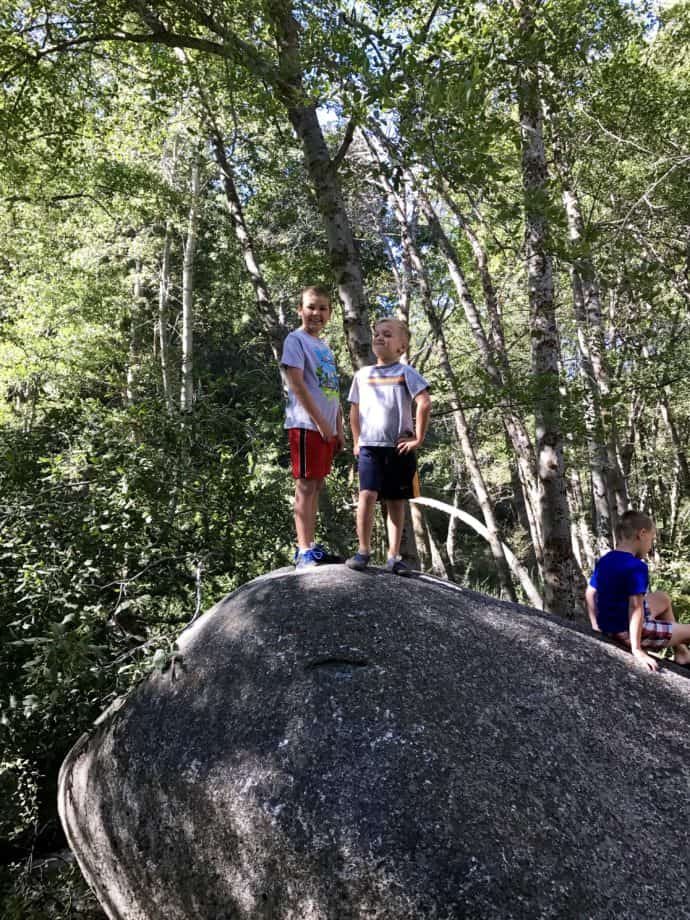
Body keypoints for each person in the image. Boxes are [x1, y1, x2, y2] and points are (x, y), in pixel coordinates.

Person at [346, 318, 431, 576]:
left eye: (388, 334)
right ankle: (363, 550)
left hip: (398, 448)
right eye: (377, 334)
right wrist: (357, 439)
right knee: (367, 496)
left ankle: (394, 557)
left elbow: (424, 402)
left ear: (401, 347)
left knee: (395, 501)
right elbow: (354, 410)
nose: (380, 338)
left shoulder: (406, 373)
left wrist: (418, 438)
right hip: (370, 447)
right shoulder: (363, 375)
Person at [281, 285, 344, 568]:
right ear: (300, 310)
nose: (316, 313)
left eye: (322, 308)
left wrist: (338, 428)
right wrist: (321, 423)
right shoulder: (295, 341)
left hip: (326, 429)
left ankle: (311, 545)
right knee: (306, 485)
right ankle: (303, 550)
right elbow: (296, 385)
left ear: (330, 313)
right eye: (311, 307)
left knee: (316, 484)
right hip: (307, 426)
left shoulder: (324, 347)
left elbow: (332, 391)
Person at [586, 509, 690, 672]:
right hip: (630, 632)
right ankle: (679, 650)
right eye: (651, 539)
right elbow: (635, 608)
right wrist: (636, 649)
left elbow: (590, 593)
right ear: (641, 534)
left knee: (662, 598)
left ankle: (682, 654)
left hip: (612, 626)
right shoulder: (636, 567)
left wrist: (596, 627)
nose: (650, 545)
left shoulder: (606, 560)